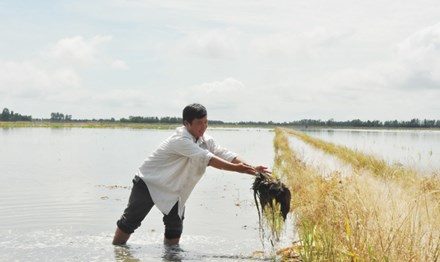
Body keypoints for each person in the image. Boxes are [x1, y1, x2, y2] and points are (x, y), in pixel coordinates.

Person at [112, 103, 270, 246]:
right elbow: (207, 159)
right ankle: (117, 251)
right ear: (186, 123)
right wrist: (238, 169)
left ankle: (171, 255)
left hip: (173, 189)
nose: (204, 127)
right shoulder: (180, 140)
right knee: (131, 221)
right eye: (199, 123)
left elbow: (224, 154)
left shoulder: (206, 140)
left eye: (206, 122)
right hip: (149, 182)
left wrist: (252, 169)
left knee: (175, 227)